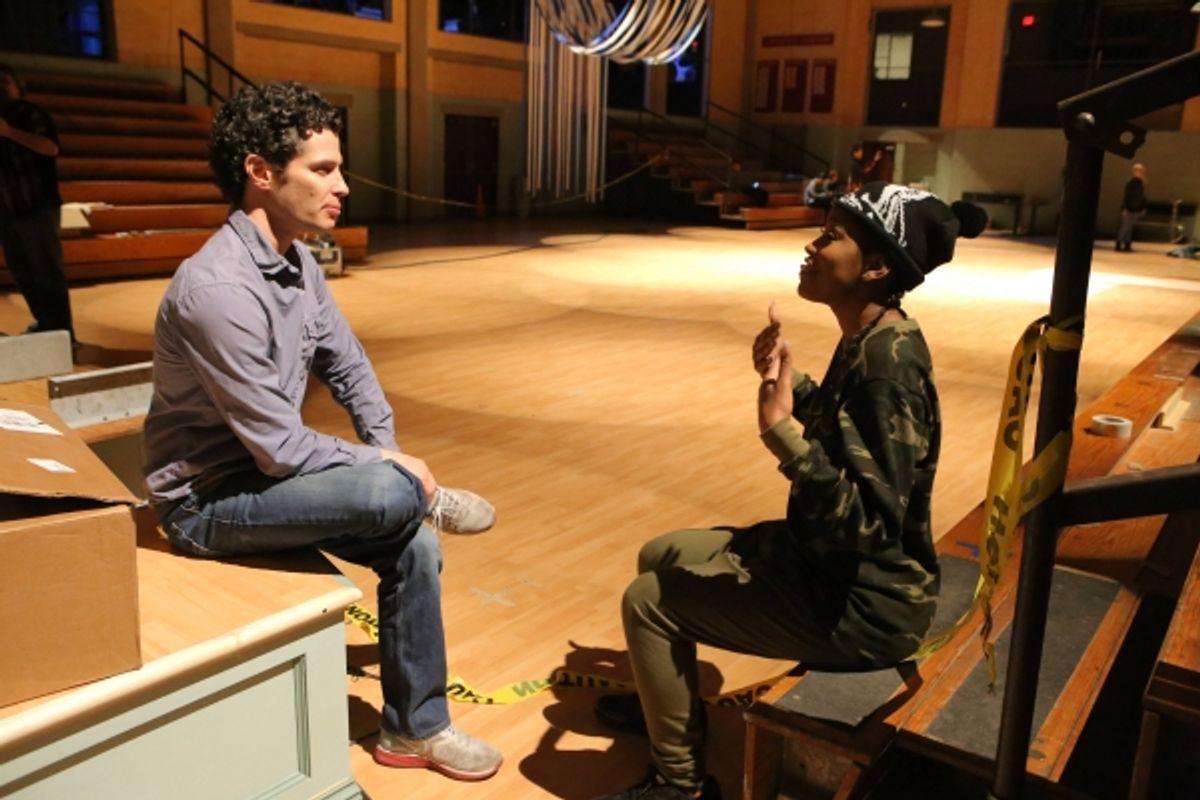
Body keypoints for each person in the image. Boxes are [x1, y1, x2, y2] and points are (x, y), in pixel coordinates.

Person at [142, 81, 503, 782]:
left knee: (414, 543)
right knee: (390, 496)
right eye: (323, 169)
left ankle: (414, 729)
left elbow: (347, 362)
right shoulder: (217, 289)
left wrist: (391, 447)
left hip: (265, 475)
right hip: (205, 501)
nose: (343, 185)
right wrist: (397, 475)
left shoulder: (300, 259)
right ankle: (420, 498)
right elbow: (279, 447)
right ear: (260, 172)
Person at [591, 183, 986, 800]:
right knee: (659, 554)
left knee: (648, 602)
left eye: (832, 235)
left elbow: (870, 526)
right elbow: (847, 434)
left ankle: (681, 785)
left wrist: (782, 435)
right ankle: (667, 711)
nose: (813, 244)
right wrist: (791, 383)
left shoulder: (888, 366)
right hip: (826, 564)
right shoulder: (874, 336)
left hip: (867, 605)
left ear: (875, 267)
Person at [0, 62, 73, 341]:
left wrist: (9, 132)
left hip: (37, 207)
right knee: (23, 273)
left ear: (18, 86)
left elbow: (50, 147)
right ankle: (45, 325)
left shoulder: (30, 114)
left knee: (46, 272)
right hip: (7, 211)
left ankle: (63, 333)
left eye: (5, 81)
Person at [1115, 162, 1147, 252]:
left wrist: (1143, 207)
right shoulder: (1130, 183)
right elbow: (1126, 196)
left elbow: (1142, 197)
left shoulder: (1142, 183)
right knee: (1125, 227)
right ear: (1134, 172)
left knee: (1130, 228)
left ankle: (1127, 245)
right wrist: (1124, 208)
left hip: (1136, 208)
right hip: (1128, 208)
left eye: (1141, 171)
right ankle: (1118, 244)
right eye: (1138, 171)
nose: (1140, 173)